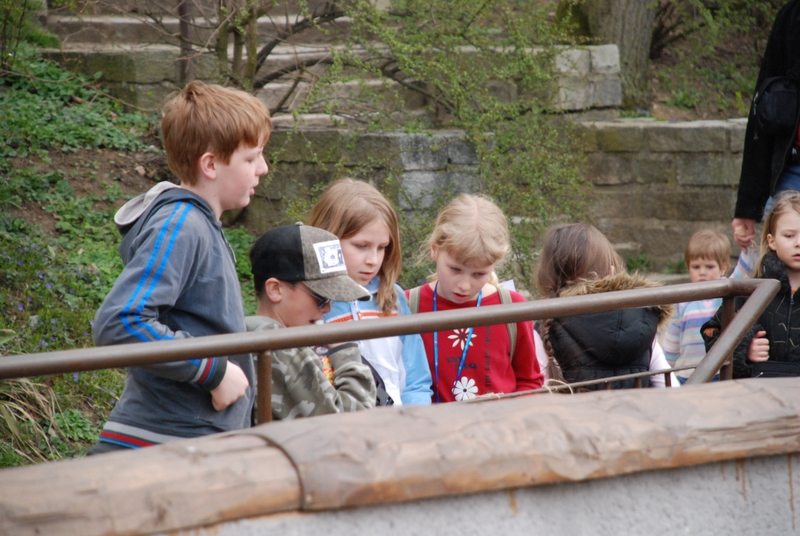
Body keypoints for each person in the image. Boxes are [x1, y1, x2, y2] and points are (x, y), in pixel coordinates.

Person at [89, 81, 271, 453]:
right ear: (210, 164)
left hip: (191, 441)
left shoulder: (201, 224)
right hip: (163, 446)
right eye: (251, 158)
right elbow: (120, 321)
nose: (263, 168)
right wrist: (214, 371)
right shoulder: (181, 226)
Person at [406, 194, 544, 403]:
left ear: (495, 263)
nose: (464, 285)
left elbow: (530, 381)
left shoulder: (512, 307)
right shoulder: (408, 305)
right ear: (435, 250)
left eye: (479, 274)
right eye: (455, 269)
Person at [308, 178, 432, 406]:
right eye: (361, 246)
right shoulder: (308, 304)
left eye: (382, 247)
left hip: (396, 419)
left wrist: (416, 417)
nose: (373, 260)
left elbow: (416, 379)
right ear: (327, 237)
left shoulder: (393, 298)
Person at [245, 224, 377, 419]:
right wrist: (345, 353)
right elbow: (351, 421)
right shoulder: (281, 345)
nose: (327, 308)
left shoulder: (256, 335)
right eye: (320, 297)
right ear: (275, 289)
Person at [536, 223, 679, 390]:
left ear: (547, 277)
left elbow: (538, 391)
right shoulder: (642, 321)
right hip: (637, 407)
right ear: (611, 272)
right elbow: (670, 387)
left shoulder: (545, 330)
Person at [704, 191, 800, 378]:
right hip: (758, 391)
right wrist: (743, 348)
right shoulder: (750, 292)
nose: (798, 243)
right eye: (789, 235)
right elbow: (712, 334)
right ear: (772, 241)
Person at [731, 0, 800, 251]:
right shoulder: (792, 18)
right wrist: (747, 206)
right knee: (772, 263)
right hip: (793, 171)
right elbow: (766, 109)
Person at [661, 230, 756, 383]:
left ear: (723, 268)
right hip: (688, 374)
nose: (702, 272)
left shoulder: (726, 292)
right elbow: (672, 340)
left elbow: (744, 270)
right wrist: (665, 372)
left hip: (720, 372)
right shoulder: (682, 300)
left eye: (709, 267)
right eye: (696, 267)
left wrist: (747, 248)